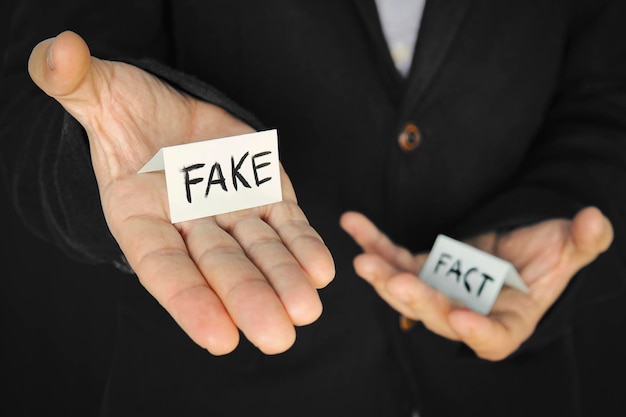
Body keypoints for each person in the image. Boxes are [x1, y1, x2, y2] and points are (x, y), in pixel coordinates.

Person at [1, 1, 624, 416]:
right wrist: (109, 159)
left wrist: (553, 209)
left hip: (507, 391)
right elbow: (33, 100)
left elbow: (608, 96)